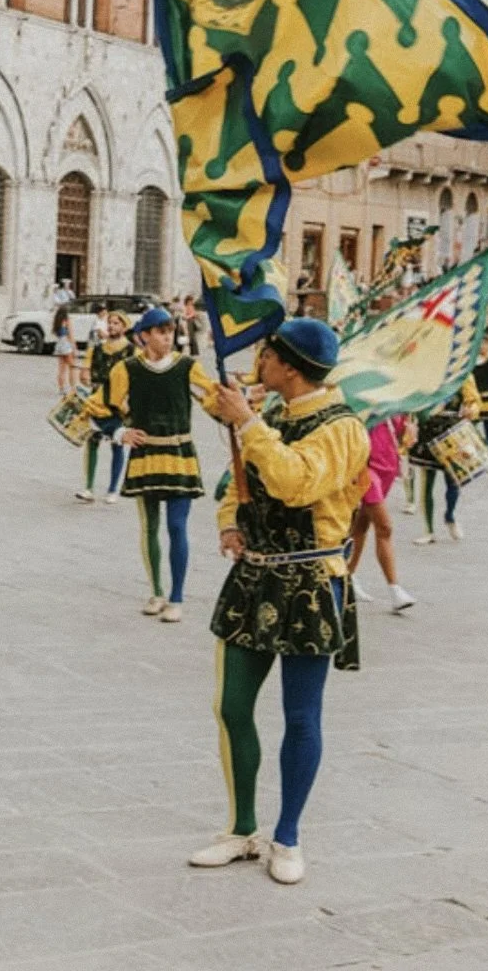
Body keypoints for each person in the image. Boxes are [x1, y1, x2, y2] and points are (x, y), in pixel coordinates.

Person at [190, 318, 370, 887]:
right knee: (232, 705)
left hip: (311, 582)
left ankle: (287, 835)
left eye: (266, 355)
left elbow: (297, 482)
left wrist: (246, 420)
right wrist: (229, 525)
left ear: (288, 365)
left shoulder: (345, 430)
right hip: (255, 577)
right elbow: (235, 481)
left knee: (301, 716)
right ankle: (241, 827)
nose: (258, 363)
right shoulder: (273, 416)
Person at [84, 307, 219, 621]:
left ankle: (177, 597)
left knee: (177, 526)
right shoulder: (126, 369)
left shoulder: (187, 366)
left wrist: (242, 398)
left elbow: (212, 397)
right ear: (144, 336)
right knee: (151, 527)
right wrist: (119, 431)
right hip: (145, 457)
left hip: (179, 454)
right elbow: (98, 406)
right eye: (160, 331)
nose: (167, 336)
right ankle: (156, 591)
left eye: (170, 331)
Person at [347, 415, 414, 612]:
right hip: (366, 470)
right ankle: (395, 589)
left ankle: (347, 574)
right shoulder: (366, 401)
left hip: (388, 467)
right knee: (384, 527)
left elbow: (402, 433)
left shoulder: (399, 405)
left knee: (361, 526)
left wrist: (409, 432)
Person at [408, 374, 481, 545]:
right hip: (428, 433)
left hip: (452, 434)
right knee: (427, 484)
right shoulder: (425, 372)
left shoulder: (461, 373)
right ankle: (428, 530)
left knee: (453, 482)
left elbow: (474, 401)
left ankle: (450, 515)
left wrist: (471, 411)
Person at [77, 310, 136, 504]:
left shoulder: (132, 351)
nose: (111, 326)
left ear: (124, 326)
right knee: (92, 442)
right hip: (96, 401)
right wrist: (85, 376)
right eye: (110, 323)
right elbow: (84, 372)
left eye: (116, 323)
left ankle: (112, 489)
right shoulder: (97, 348)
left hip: (117, 404)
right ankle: (88, 487)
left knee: (117, 444)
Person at [51, 306, 77, 395]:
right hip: (66, 344)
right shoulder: (67, 320)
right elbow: (71, 334)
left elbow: (55, 333)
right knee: (72, 367)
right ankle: (73, 388)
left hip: (59, 345)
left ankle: (61, 388)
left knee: (61, 369)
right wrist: (74, 347)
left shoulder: (57, 321)